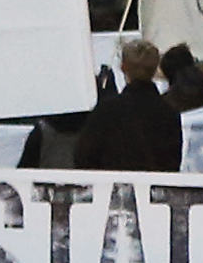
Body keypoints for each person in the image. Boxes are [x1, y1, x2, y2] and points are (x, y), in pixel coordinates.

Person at [77, 39, 184, 174]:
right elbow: (173, 162)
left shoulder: (106, 111)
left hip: (114, 189)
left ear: (123, 67)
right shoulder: (169, 113)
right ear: (156, 67)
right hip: (156, 192)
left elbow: (84, 157)